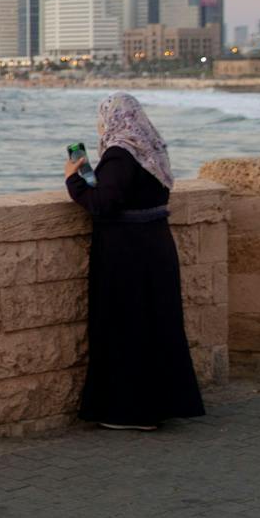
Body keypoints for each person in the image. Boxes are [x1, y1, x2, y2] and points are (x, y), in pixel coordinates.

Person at [64, 94, 206, 431]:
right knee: (154, 325)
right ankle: (159, 406)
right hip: (155, 246)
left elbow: (103, 203)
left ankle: (130, 412)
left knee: (126, 326)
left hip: (127, 254)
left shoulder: (120, 153)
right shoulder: (150, 149)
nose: (100, 125)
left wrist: (73, 178)